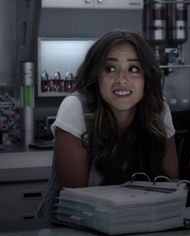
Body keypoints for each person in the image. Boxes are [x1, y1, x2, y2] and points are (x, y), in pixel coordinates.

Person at [50, 30, 178, 189]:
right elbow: (75, 200)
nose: (122, 80)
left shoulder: (158, 107)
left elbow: (170, 189)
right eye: (110, 68)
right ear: (95, 75)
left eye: (133, 69)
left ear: (147, 77)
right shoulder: (75, 107)